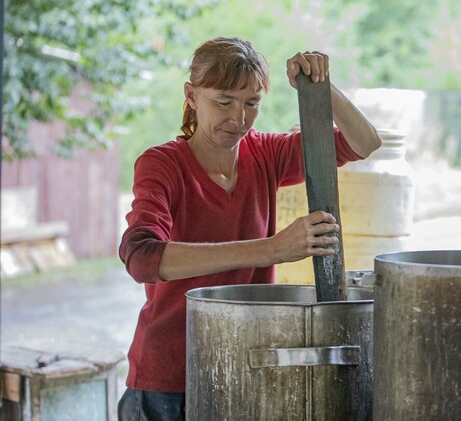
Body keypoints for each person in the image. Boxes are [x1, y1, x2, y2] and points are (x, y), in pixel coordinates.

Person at [116, 37, 381, 421]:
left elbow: (365, 143)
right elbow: (142, 257)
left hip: (245, 364)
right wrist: (272, 249)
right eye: (224, 101)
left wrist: (321, 87)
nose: (238, 118)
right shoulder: (162, 165)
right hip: (168, 380)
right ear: (191, 96)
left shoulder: (265, 155)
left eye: (251, 103)